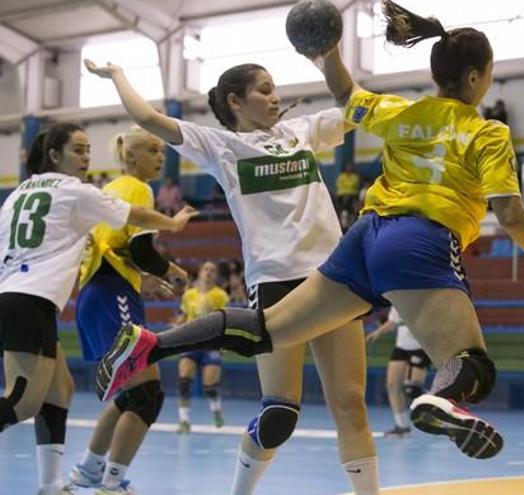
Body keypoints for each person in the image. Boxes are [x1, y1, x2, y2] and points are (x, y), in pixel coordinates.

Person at [94, 0, 524, 463]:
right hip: (419, 239)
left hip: (359, 242)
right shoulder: (487, 132)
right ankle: (440, 398)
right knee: (472, 365)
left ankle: (152, 343)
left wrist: (327, 54)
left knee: (265, 334)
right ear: (476, 76)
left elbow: (349, 99)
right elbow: (512, 213)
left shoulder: (400, 111)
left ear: (436, 75)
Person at [82, 57, 381, 494]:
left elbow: (358, 107)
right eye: (264, 89)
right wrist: (118, 75)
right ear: (236, 101)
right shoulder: (219, 145)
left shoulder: (301, 131)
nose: (275, 96)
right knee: (280, 411)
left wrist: (329, 54)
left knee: (351, 402)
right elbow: (146, 117)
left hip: (332, 275)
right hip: (276, 281)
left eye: (275, 87)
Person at [0, 123, 196, 495]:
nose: (86, 157)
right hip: (34, 299)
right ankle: (105, 481)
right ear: (55, 155)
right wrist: (173, 223)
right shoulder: (78, 192)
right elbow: (135, 219)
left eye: (88, 149)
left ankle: (53, 484)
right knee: (22, 403)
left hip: (21, 297)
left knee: (60, 390)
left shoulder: (16, 195)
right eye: (77, 149)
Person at [70, 126, 192, 495]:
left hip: (97, 294)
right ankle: (112, 483)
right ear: (132, 156)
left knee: (130, 393)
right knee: (146, 395)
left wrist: (141, 277)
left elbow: (116, 249)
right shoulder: (138, 189)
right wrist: (169, 270)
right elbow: (141, 250)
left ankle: (89, 472)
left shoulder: (111, 190)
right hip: (112, 295)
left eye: (161, 151)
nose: (160, 157)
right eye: (153, 150)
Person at [175, 261, 229, 433]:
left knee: (210, 387)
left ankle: (216, 410)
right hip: (191, 341)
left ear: (216, 275)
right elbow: (184, 315)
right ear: (199, 272)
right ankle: (184, 421)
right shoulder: (189, 294)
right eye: (206, 269)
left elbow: (224, 319)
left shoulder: (220, 295)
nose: (209, 272)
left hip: (211, 344)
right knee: (184, 382)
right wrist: (177, 326)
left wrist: (212, 310)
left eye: (213, 270)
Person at [365, 306, 431, 437]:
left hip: (421, 347)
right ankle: (402, 426)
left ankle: (441, 410)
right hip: (401, 347)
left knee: (412, 388)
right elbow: (393, 321)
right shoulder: (397, 298)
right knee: (392, 385)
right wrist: (377, 332)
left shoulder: (425, 297)